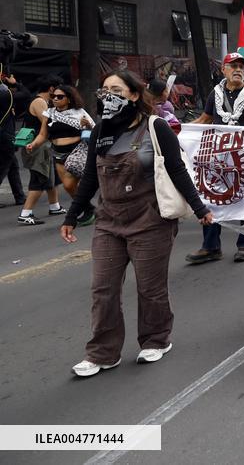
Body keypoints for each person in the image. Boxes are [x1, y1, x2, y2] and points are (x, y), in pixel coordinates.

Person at [61, 70, 213, 377]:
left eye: (116, 89)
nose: (107, 95)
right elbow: (90, 177)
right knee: (102, 289)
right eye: (104, 90)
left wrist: (200, 209)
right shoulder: (101, 130)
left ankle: (156, 338)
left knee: (150, 288)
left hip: (150, 221)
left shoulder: (156, 127)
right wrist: (72, 216)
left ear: (133, 94)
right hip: (108, 222)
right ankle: (102, 353)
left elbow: (177, 170)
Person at [185, 53, 244, 264]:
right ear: (223, 69)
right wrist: (180, 132)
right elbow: (204, 120)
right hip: (217, 156)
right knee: (210, 197)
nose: (238, 70)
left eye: (242, 66)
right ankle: (211, 246)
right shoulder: (215, 94)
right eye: (233, 66)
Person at [26, 84, 96, 225]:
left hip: (76, 151)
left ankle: (91, 209)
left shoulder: (79, 112)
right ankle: (88, 208)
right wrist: (33, 144)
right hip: (58, 154)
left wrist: (87, 125)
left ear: (69, 99)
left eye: (60, 96)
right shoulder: (49, 113)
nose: (55, 99)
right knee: (68, 186)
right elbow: (43, 134)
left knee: (82, 184)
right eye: (53, 96)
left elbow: (94, 130)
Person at [18, 74, 63, 225]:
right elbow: (49, 123)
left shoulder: (44, 101)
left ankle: (54, 206)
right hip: (37, 147)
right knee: (39, 178)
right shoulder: (39, 102)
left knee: (52, 177)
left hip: (43, 146)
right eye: (58, 91)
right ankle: (25, 214)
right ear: (51, 89)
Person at [0, 76, 26, 207]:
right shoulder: (4, 94)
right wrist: (16, 83)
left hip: (4, 135)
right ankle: (20, 196)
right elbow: (25, 94)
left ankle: (20, 196)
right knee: (3, 167)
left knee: (13, 166)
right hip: (4, 136)